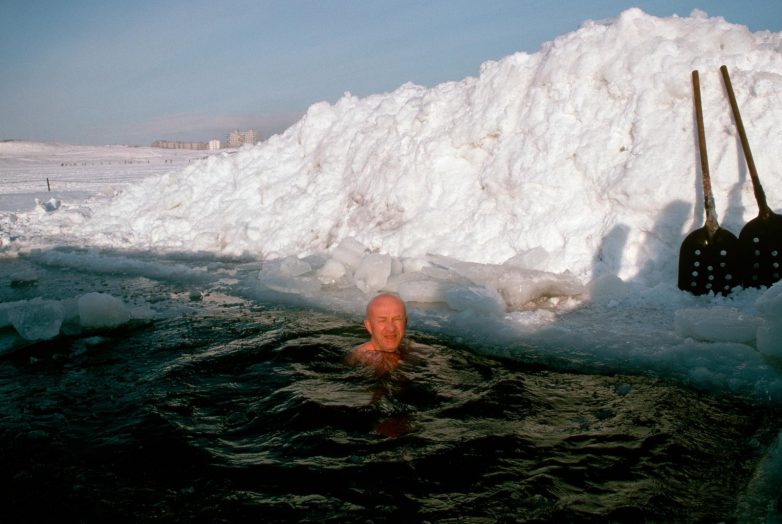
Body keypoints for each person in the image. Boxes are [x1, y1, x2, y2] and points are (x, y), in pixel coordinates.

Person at [347, 293, 408, 375]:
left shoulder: (409, 347)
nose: (391, 328)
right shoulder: (366, 358)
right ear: (369, 326)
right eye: (382, 320)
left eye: (397, 319)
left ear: (405, 322)